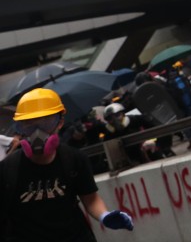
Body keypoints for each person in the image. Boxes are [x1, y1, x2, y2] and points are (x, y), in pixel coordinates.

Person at [0, 89, 134, 240]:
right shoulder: (8, 169)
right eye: (29, 126)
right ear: (20, 128)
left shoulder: (74, 159)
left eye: (45, 124)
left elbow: (90, 199)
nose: (37, 133)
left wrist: (104, 215)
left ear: (60, 122)